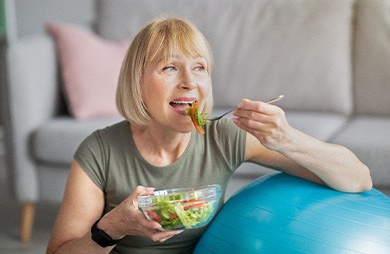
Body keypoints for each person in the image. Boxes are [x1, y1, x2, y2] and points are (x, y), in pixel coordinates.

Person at [46, 17, 372, 254]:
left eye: (200, 67)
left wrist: (287, 139)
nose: (191, 82)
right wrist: (113, 227)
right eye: (170, 67)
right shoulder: (99, 151)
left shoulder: (224, 135)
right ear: (137, 83)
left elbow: (358, 179)